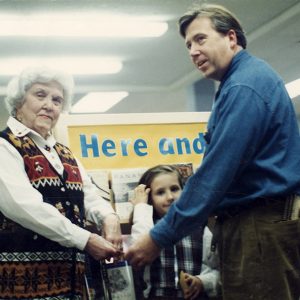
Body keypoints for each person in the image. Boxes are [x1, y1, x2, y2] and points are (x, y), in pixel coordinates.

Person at [125, 4, 300, 300]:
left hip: (258, 225)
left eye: (201, 39)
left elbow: (215, 174)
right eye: (188, 45)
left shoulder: (245, 85)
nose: (193, 51)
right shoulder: (237, 83)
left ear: (231, 38)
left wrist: (158, 236)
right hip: (252, 225)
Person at [0, 66, 122, 299]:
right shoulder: (5, 146)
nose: (49, 104)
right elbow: (24, 206)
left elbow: (90, 196)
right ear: (18, 101)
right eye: (40, 95)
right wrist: (85, 239)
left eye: (57, 100)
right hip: (22, 285)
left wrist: (110, 217)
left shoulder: (66, 154)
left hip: (71, 283)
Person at [130, 165, 220, 300]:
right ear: (149, 199)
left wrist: (202, 282)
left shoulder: (199, 229)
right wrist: (141, 207)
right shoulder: (146, 226)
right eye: (160, 192)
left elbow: (218, 270)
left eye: (174, 189)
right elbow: (140, 247)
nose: (170, 197)